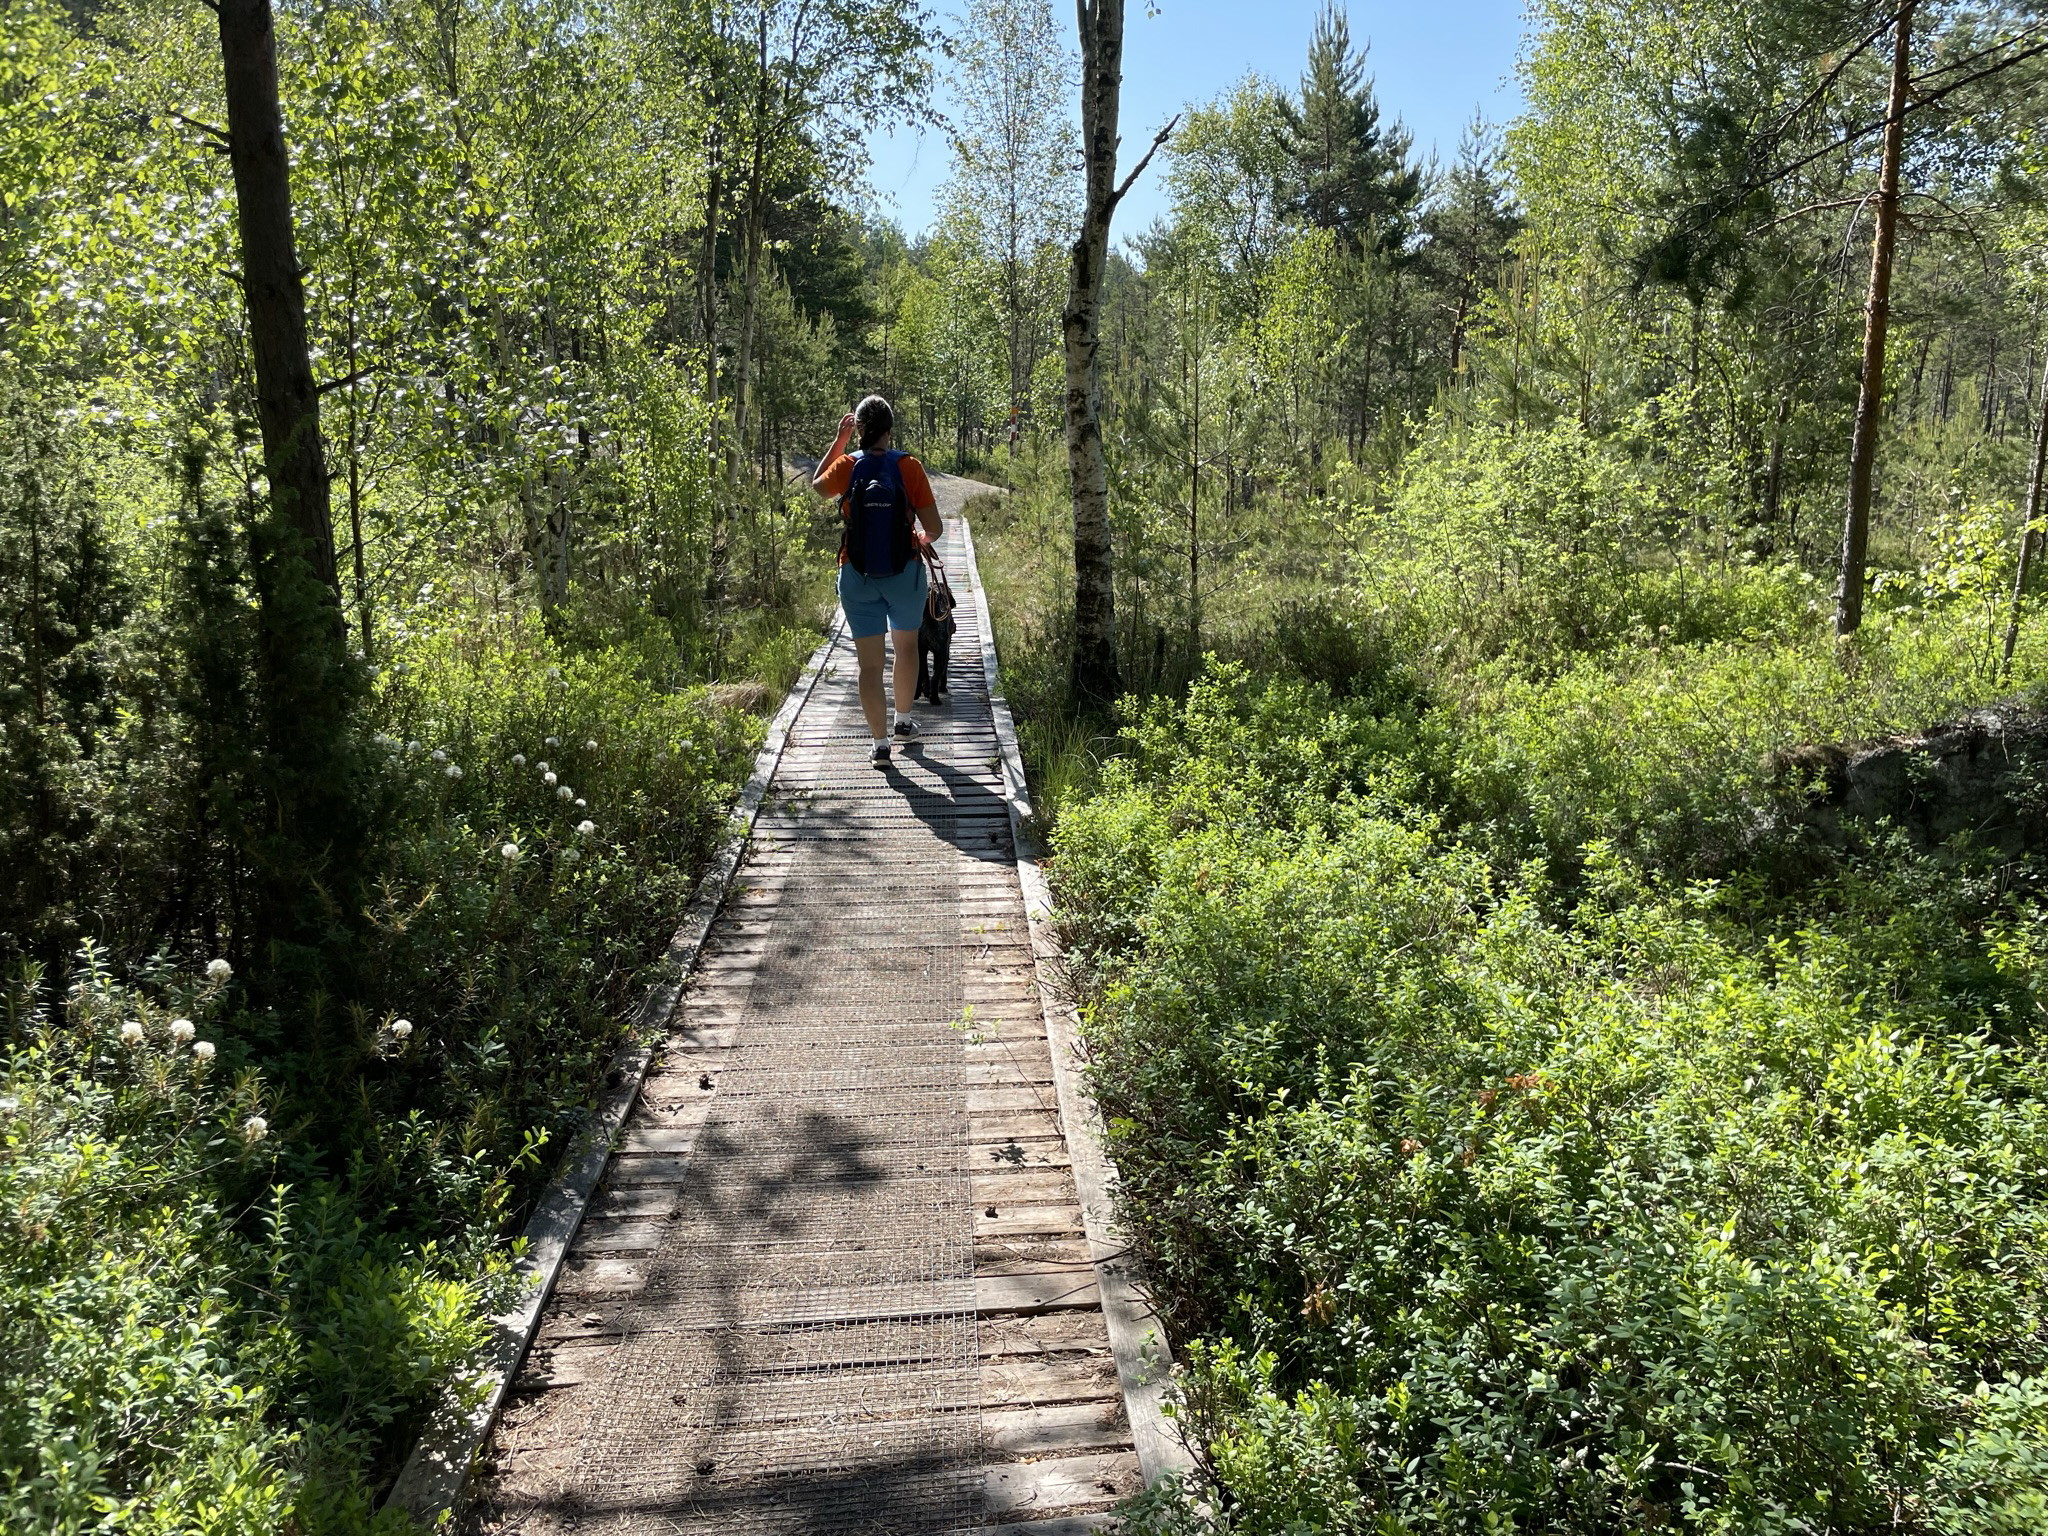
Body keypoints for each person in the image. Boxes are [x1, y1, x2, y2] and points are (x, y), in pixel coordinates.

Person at [811, 395, 943, 764]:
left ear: (860, 430)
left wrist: (839, 442)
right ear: (889, 430)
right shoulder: (909, 467)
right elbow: (934, 528)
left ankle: (880, 745)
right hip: (905, 574)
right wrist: (919, 539)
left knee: (869, 666)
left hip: (856, 575)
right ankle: (904, 722)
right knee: (906, 648)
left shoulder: (847, 465)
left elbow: (817, 486)